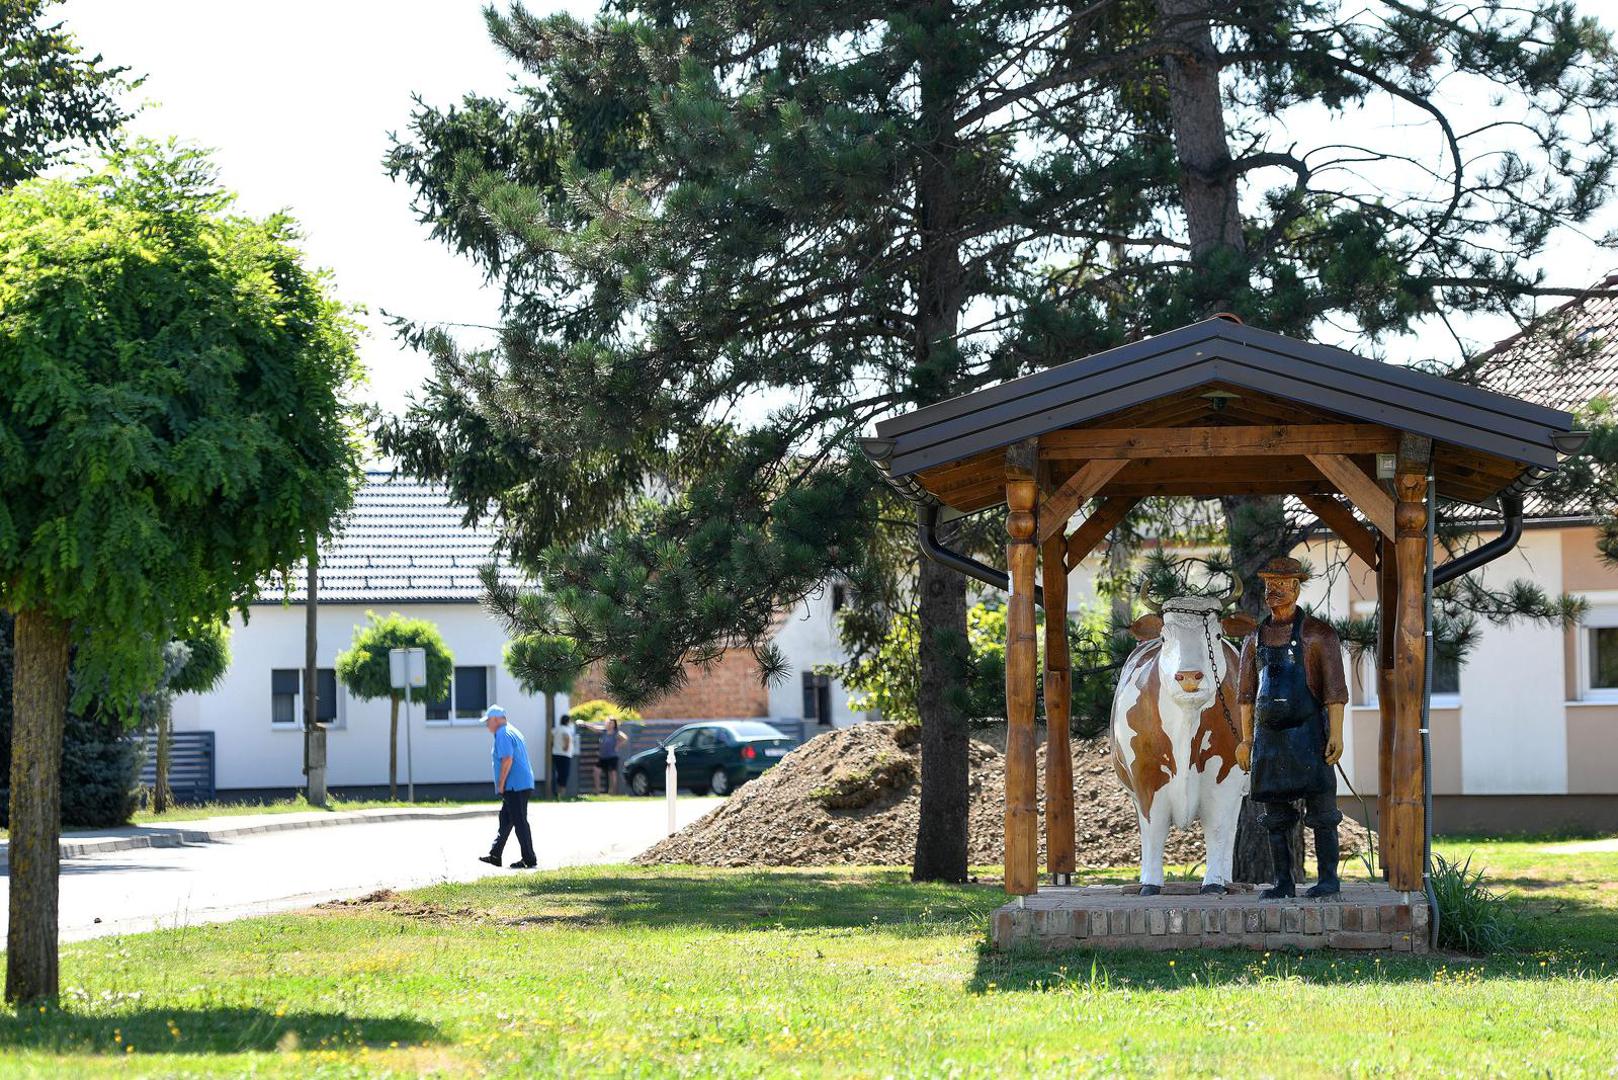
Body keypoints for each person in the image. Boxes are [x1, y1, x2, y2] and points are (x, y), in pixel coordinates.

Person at [1234, 557, 1349, 898]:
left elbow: (1335, 692)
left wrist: (1337, 734)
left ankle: (1328, 880)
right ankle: (1283, 882)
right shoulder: (1254, 639)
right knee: (1275, 816)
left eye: (1282, 585)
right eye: (1269, 584)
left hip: (1309, 736)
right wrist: (1246, 741)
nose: (1274, 591)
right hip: (1269, 740)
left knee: (1324, 812)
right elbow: (1245, 695)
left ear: (1297, 587)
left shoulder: (1318, 635)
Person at [478, 704, 537, 869]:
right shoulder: (512, 730)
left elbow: (507, 759)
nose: (487, 725)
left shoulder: (502, 734)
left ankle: (529, 859)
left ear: (496, 719)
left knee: (519, 822)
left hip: (514, 786)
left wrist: (501, 784)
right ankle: (495, 854)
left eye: (488, 721)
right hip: (521, 784)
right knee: (506, 819)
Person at [580, 715, 630, 794]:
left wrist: (618, 746)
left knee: (612, 774)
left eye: (612, 723)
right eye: (609, 723)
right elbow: (595, 728)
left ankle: (612, 792)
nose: (610, 724)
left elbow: (625, 738)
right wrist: (585, 723)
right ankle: (597, 791)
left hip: (612, 756)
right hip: (603, 757)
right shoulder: (604, 731)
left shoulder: (616, 733)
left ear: (614, 724)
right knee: (596, 771)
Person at [551, 713, 576, 800]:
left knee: (559, 773)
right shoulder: (566, 729)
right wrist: (566, 747)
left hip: (556, 753)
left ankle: (558, 793)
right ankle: (562, 794)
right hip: (564, 755)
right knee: (564, 774)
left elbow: (551, 737)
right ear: (568, 721)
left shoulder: (556, 729)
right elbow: (566, 737)